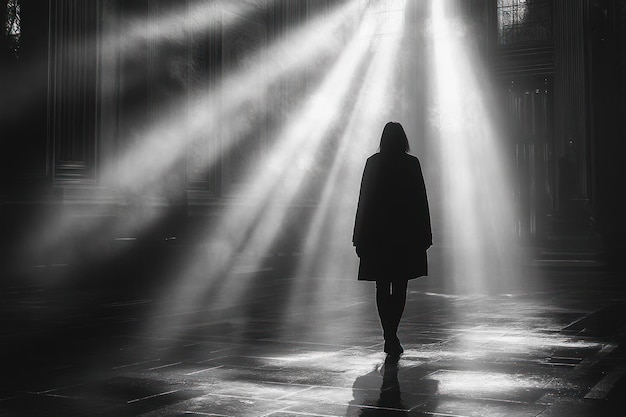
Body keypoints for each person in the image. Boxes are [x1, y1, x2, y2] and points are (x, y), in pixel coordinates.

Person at [353, 122, 432, 357]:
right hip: (404, 235)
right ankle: (391, 334)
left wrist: (358, 235)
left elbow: (363, 201)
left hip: (378, 235)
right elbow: (421, 201)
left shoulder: (373, 163)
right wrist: (425, 234)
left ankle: (388, 334)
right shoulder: (411, 164)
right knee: (400, 286)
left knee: (381, 285)